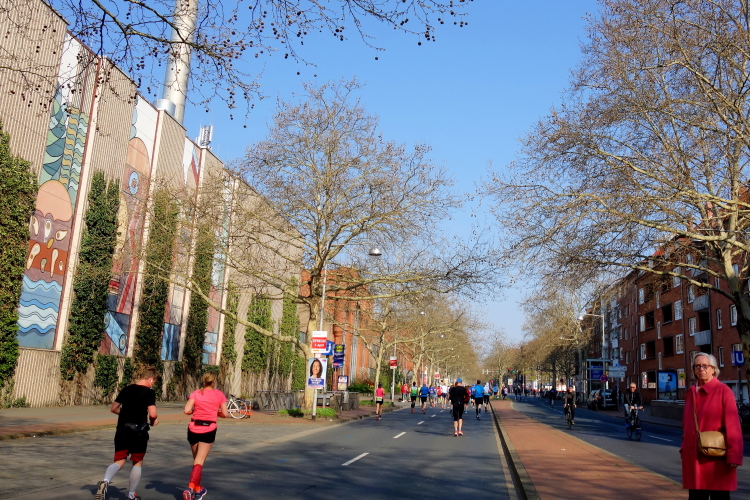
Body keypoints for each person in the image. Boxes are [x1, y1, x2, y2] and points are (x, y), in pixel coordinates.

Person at [681, 353, 743, 499]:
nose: (701, 369)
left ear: (713, 369)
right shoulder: (690, 393)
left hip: (717, 458)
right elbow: (686, 424)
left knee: (719, 496)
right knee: (696, 496)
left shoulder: (723, 391)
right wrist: (684, 446)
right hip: (694, 457)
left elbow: (733, 426)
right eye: (697, 366)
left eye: (705, 366)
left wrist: (734, 455)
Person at [95, 366, 159, 500]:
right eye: (154, 382)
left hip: (122, 430)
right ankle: (131, 495)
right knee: (137, 462)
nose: (153, 384)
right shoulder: (149, 392)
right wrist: (153, 421)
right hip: (139, 432)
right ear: (151, 379)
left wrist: (125, 415)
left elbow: (114, 408)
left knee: (119, 460)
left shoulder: (127, 389)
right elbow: (153, 414)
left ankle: (105, 481)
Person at [182, 371, 229, 500]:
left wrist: (194, 410)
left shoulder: (196, 393)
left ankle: (198, 490)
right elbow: (225, 414)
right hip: (208, 429)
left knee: (197, 461)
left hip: (193, 428)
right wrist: (216, 412)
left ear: (203, 380)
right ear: (214, 381)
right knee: (200, 461)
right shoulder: (219, 394)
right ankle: (190, 488)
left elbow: (186, 410)